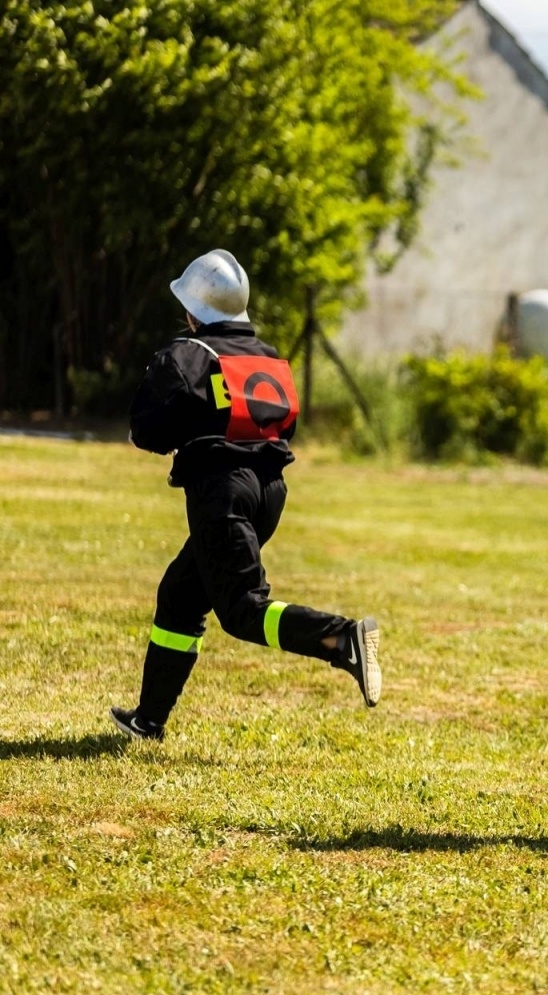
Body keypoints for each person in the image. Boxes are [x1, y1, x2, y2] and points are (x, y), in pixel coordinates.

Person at [111, 249, 380, 742]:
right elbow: (282, 425)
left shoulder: (188, 354)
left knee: (242, 610)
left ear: (193, 310)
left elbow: (146, 430)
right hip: (269, 493)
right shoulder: (268, 356)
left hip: (222, 494)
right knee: (180, 596)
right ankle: (148, 720)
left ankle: (340, 637)